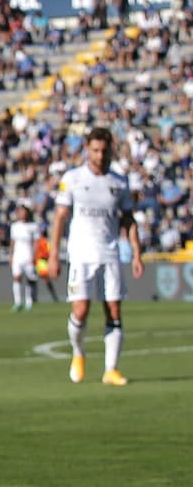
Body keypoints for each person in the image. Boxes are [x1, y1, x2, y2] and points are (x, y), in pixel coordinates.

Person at [47, 128, 144, 386]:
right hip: (80, 254)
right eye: (95, 150)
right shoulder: (73, 178)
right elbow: (59, 218)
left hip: (110, 252)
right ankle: (78, 353)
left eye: (104, 150)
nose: (100, 155)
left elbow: (128, 220)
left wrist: (136, 252)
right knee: (81, 309)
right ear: (87, 150)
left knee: (113, 309)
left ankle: (110, 369)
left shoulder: (119, 182)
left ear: (111, 149)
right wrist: (53, 254)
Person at [8, 202, 40, 312]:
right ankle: (17, 302)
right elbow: (13, 242)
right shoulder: (15, 226)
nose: (21, 214)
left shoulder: (33, 226)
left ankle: (29, 302)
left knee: (29, 279)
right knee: (17, 277)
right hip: (18, 255)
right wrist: (11, 256)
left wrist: (35, 256)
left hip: (28, 255)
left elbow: (36, 243)